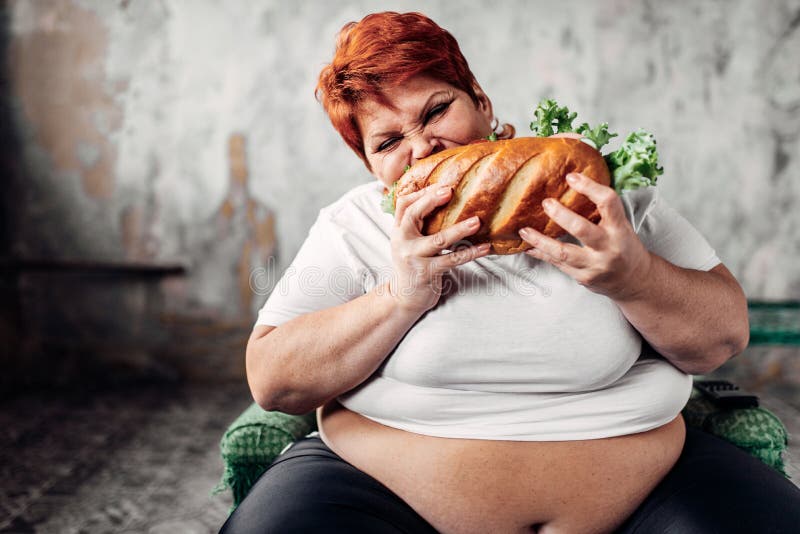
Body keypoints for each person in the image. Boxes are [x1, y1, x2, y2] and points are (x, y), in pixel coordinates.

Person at [220, 11, 800, 534]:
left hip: (652, 493)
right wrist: (400, 297)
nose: (423, 149)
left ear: (483, 101)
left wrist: (633, 278)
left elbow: (722, 339)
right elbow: (274, 381)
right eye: (390, 141)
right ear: (372, 166)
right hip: (376, 493)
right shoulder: (357, 225)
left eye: (437, 110)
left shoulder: (601, 193)